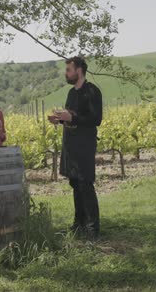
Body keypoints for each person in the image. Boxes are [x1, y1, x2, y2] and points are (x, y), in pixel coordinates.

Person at [48, 56, 103, 239]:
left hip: (84, 145)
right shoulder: (71, 93)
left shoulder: (92, 92)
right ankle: (79, 223)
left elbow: (96, 119)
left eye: (69, 70)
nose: (66, 73)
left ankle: (93, 228)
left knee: (85, 183)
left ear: (79, 70)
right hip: (70, 144)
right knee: (75, 183)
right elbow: (71, 117)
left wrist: (72, 118)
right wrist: (60, 119)